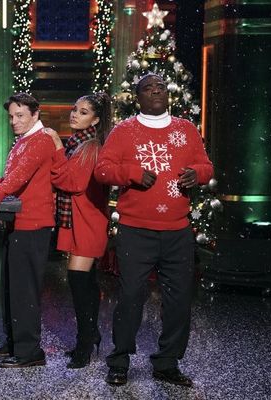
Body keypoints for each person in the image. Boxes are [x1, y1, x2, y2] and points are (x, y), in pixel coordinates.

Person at [94, 73, 213, 387]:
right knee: (131, 296)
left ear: (167, 93)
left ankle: (167, 363)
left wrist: (197, 174)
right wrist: (132, 173)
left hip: (178, 232)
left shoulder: (186, 129)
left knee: (179, 300)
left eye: (160, 86)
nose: (156, 91)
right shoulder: (124, 131)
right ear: (138, 97)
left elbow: (206, 166)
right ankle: (119, 361)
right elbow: (102, 170)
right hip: (136, 231)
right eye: (148, 88)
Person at [0, 92, 56, 368]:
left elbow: (21, 175)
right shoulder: (24, 141)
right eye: (11, 116)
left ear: (35, 114)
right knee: (12, 288)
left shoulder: (41, 140)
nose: (14, 121)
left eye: (20, 115)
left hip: (33, 224)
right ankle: (14, 343)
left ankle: (29, 351)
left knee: (25, 290)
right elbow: (11, 177)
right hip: (19, 223)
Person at [45, 92, 112, 369]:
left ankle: (85, 344)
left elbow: (70, 182)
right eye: (75, 109)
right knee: (85, 281)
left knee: (78, 280)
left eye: (83, 112)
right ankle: (89, 336)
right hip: (79, 217)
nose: (74, 114)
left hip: (87, 220)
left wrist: (56, 146)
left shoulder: (90, 146)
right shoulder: (78, 143)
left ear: (95, 120)